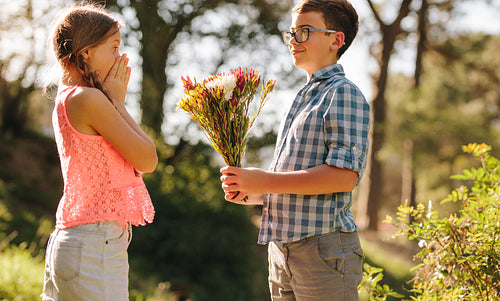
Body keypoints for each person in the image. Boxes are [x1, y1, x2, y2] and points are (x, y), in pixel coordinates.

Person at [220, 0, 370, 300]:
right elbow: (297, 180)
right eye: (291, 32)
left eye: (304, 31)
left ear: (336, 40)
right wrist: (253, 192)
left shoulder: (343, 93)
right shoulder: (298, 98)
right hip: (282, 250)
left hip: (323, 251)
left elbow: (343, 178)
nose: (293, 41)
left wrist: (264, 181)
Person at [41, 2, 157, 300]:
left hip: (77, 242)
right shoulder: (89, 99)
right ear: (86, 53)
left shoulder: (71, 99)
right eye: (114, 48)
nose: (121, 57)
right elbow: (148, 159)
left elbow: (137, 161)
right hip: (93, 247)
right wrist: (117, 101)